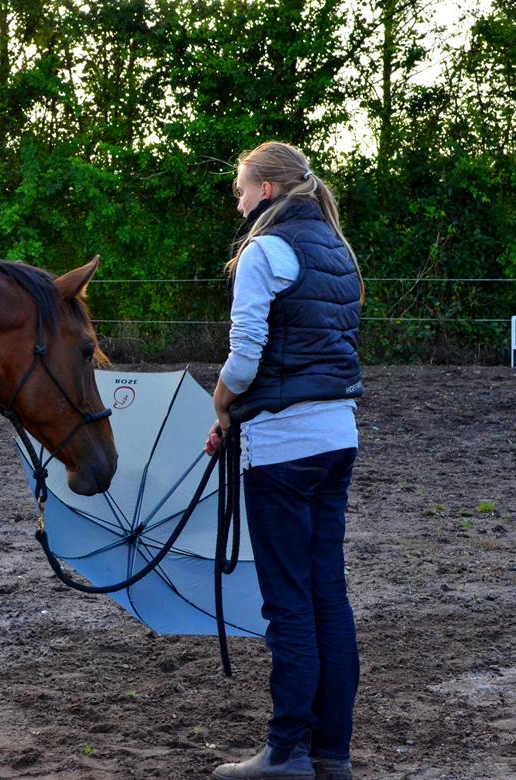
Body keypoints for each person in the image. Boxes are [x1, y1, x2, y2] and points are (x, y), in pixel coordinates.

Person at [205, 142, 363, 780]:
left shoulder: (263, 251)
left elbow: (245, 358)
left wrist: (222, 404)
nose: (238, 202)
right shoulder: (337, 249)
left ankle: (287, 751)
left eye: (241, 189)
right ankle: (332, 753)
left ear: (266, 191)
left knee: (289, 603)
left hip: (284, 449)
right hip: (337, 437)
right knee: (329, 595)